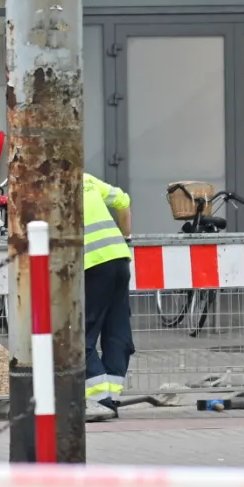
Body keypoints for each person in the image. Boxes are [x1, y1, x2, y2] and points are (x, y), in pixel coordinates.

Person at [84, 172, 134, 422]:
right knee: (117, 329)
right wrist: (126, 238)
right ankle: (111, 397)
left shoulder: (47, 189)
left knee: (81, 334)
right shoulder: (87, 180)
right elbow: (124, 202)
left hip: (90, 265)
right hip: (118, 258)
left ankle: (99, 399)